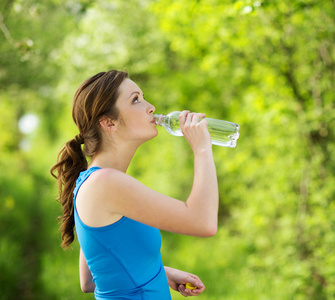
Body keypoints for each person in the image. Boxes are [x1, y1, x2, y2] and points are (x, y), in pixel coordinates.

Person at [50, 70, 219, 299]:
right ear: (108, 122)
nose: (150, 107)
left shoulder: (95, 180)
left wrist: (160, 274)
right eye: (136, 100)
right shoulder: (105, 183)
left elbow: (90, 279)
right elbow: (204, 222)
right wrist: (202, 149)